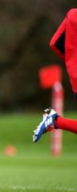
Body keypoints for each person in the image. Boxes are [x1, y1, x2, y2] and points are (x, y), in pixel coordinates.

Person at [33, 9, 77, 142]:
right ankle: (56, 121)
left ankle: (55, 121)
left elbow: (55, 43)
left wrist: (72, 63)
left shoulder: (72, 14)